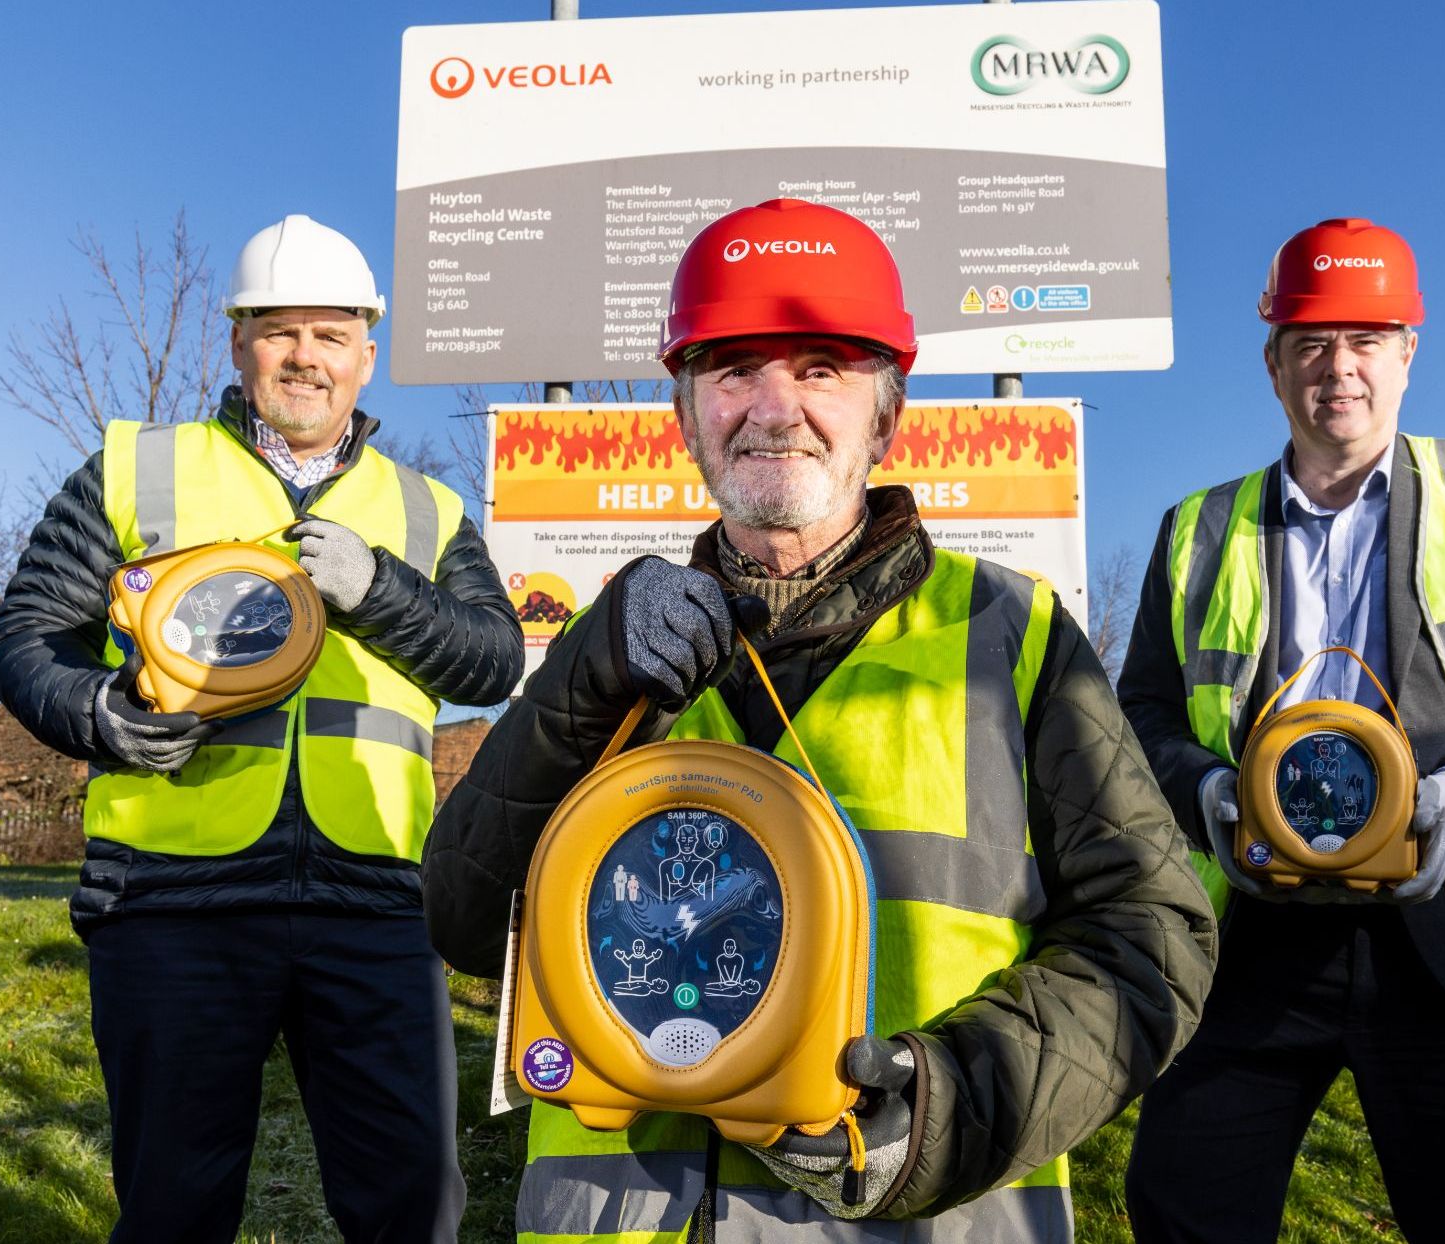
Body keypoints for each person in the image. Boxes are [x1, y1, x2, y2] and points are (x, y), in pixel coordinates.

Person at [423, 198, 1216, 1242]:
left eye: (819, 368)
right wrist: (579, 685)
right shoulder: (606, 651)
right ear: (684, 409)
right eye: (733, 367)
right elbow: (467, 920)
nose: (771, 405)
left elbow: (1152, 939)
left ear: (885, 416)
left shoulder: (1013, 638)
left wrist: (943, 1111)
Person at [0, 214, 523, 1243]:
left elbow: (493, 662)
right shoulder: (136, 469)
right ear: (237, 343)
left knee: (410, 1205)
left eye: (330, 335)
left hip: (376, 904)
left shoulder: (428, 509)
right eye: (279, 331)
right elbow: (23, 636)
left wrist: (380, 590)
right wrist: (102, 714)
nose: (305, 357)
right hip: (169, 898)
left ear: (368, 353)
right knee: (173, 1207)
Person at [1117, 217, 1445, 1243]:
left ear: (1407, 351)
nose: (1337, 367)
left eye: (1363, 338)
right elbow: (1138, 711)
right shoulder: (1198, 527)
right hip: (1252, 941)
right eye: (1309, 341)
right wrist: (1209, 793)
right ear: (1272, 365)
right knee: (1179, 1202)